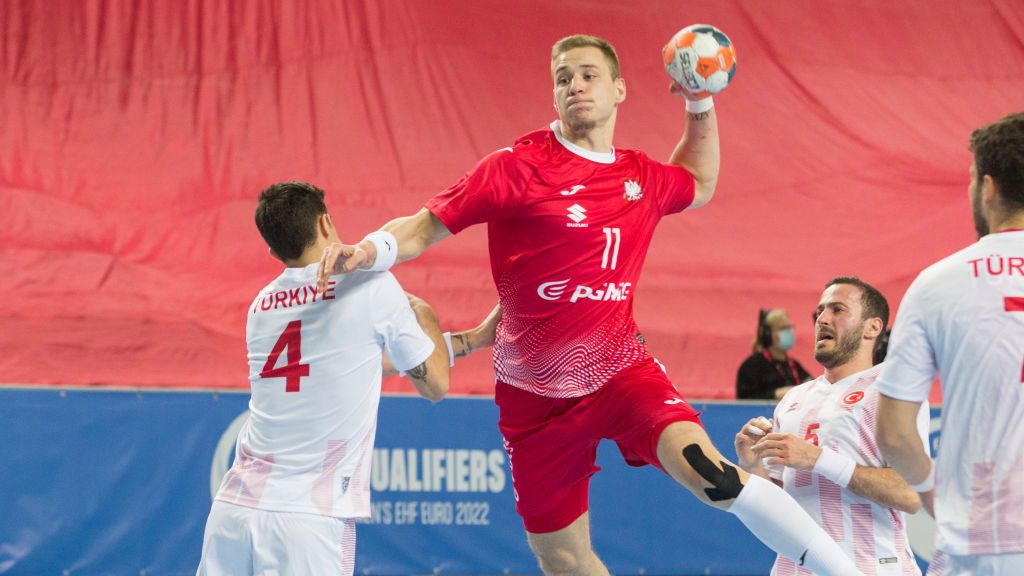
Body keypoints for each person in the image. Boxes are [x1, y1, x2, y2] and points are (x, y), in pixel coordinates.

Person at [317, 34, 862, 575]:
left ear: (619, 89)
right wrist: (369, 250)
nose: (574, 85)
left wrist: (699, 103)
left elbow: (699, 179)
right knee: (563, 559)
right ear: (554, 95)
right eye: (563, 78)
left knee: (711, 474)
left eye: (587, 74)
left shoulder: (638, 177)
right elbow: (422, 226)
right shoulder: (515, 168)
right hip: (531, 397)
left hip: (621, 371)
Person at [197, 182, 498, 575]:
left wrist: (473, 340)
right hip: (308, 519)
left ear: (273, 251)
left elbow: (356, 362)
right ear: (326, 223)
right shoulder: (372, 286)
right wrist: (419, 308)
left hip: (233, 512)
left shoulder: (261, 307)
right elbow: (435, 384)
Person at [874, 112, 1024, 574]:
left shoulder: (937, 284)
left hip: (987, 541)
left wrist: (930, 489)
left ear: (988, 187)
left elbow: (895, 432)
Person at [735, 277, 928, 575]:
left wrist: (817, 459)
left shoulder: (893, 388)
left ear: (872, 327)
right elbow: (779, 505)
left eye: (837, 309)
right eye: (820, 311)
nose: (823, 319)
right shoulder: (793, 399)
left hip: (870, 566)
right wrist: (754, 468)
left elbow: (910, 494)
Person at [736, 308, 813, 400]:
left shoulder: (794, 365)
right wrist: (775, 395)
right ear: (767, 335)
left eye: (790, 327)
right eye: (783, 328)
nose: (789, 332)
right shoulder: (751, 367)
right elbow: (744, 402)